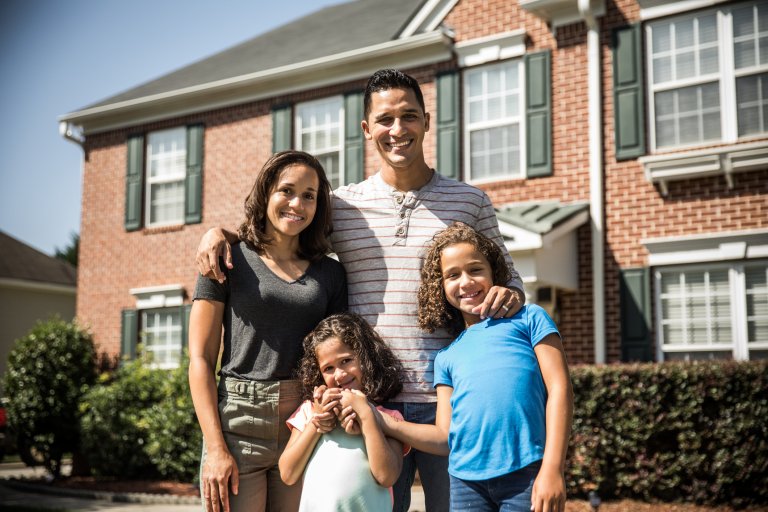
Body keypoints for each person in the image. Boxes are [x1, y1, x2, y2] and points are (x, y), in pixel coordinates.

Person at [195, 69, 526, 512]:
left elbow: (510, 282)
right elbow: (283, 234)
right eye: (385, 119)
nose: (398, 129)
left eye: (409, 116)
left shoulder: (471, 201)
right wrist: (221, 234)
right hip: (368, 401)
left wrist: (511, 296)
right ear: (367, 129)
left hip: (449, 400)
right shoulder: (342, 206)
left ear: (427, 121)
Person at [357, 222, 573, 512]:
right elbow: (443, 437)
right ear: (440, 287)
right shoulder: (447, 356)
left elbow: (560, 389)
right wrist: (382, 421)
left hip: (527, 474)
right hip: (465, 485)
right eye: (453, 275)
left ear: (494, 272)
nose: (466, 281)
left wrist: (553, 468)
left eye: (475, 269)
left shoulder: (529, 318)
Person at [188, 151, 348, 512]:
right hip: (238, 424)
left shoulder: (331, 274)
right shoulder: (226, 257)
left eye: (309, 195)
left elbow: (337, 359)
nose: (297, 204)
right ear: (266, 194)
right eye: (286, 191)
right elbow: (200, 359)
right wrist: (215, 449)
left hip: (303, 422)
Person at [279, 312, 408, 511]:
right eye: (328, 368)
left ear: (366, 357)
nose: (339, 374)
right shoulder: (309, 411)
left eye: (346, 360)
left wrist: (366, 416)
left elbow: (386, 476)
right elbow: (288, 474)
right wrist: (316, 422)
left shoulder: (389, 419)